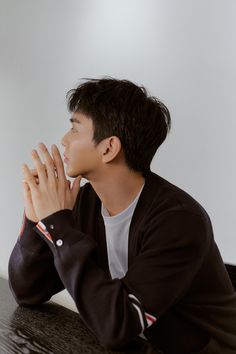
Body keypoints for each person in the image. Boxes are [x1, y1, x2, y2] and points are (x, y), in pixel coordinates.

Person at [8, 77, 236, 354]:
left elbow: (118, 326)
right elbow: (28, 292)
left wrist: (57, 225)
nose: (65, 140)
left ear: (108, 148)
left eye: (75, 128)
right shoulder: (85, 202)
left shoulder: (179, 221)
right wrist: (38, 218)